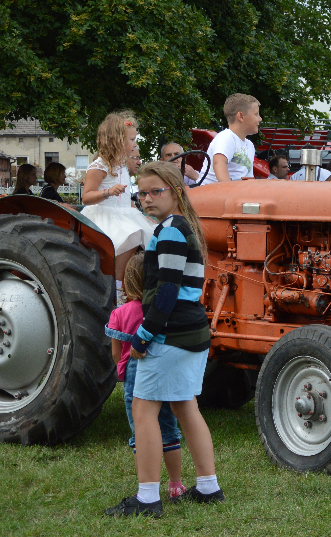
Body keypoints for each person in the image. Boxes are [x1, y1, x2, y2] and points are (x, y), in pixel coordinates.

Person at [104, 161, 222, 518]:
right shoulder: (181, 227)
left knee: (143, 412)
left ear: (176, 191)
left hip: (171, 333)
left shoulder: (170, 230)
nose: (147, 199)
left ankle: (147, 499)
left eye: (156, 191)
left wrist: (142, 336)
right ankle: (207, 487)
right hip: (192, 332)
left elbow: (166, 292)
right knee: (186, 408)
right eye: (141, 193)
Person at [104, 254, 187, 502]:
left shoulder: (120, 314)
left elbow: (117, 353)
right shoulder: (164, 311)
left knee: (140, 432)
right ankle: (176, 485)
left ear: (128, 282)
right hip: (164, 372)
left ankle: (146, 489)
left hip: (135, 375)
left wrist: (121, 368)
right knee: (169, 430)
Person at [80, 112, 156, 302]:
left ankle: (130, 286)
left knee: (149, 231)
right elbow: (86, 197)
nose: (135, 144)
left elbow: (124, 199)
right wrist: (108, 192)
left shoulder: (122, 166)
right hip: (103, 215)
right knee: (132, 233)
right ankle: (118, 287)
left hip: (122, 213)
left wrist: (138, 212)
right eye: (131, 139)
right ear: (117, 140)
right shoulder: (100, 166)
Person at [205, 93, 262, 184]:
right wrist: (230, 191)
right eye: (256, 114)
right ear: (241, 116)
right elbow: (219, 163)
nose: (260, 119)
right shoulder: (226, 137)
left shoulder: (249, 145)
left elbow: (248, 177)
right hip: (215, 195)